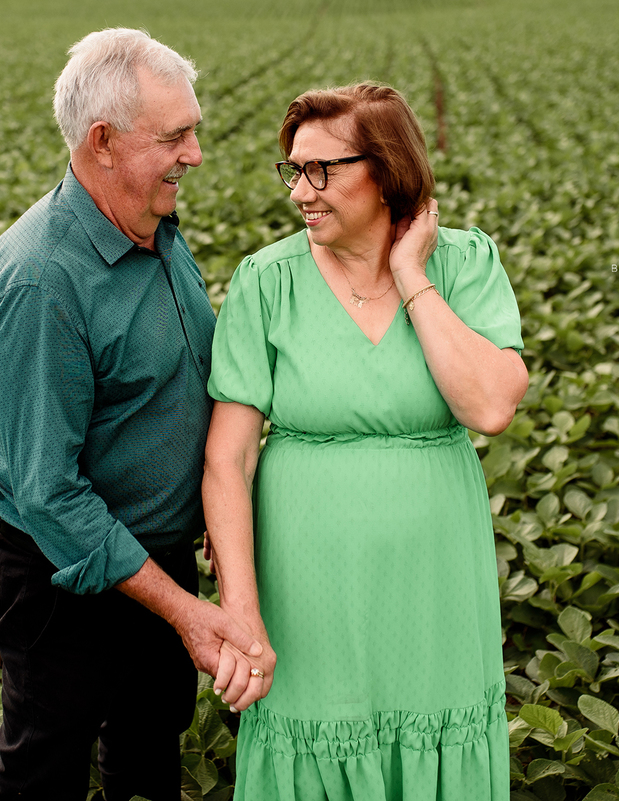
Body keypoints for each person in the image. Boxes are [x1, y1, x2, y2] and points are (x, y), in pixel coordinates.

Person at [202, 83, 528, 799]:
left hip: (433, 583)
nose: (301, 192)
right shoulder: (265, 280)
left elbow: (492, 405)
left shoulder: (464, 264)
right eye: (293, 170)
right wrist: (242, 607)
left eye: (325, 169)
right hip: (305, 586)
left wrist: (412, 275)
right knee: (312, 741)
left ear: (387, 170)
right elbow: (227, 460)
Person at [0, 28, 263, 801]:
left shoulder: (154, 221)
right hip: (68, 574)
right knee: (45, 765)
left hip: (159, 553)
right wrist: (186, 612)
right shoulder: (40, 279)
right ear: (102, 142)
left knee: (146, 748)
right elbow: (47, 492)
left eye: (193, 130)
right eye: (175, 136)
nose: (195, 153)